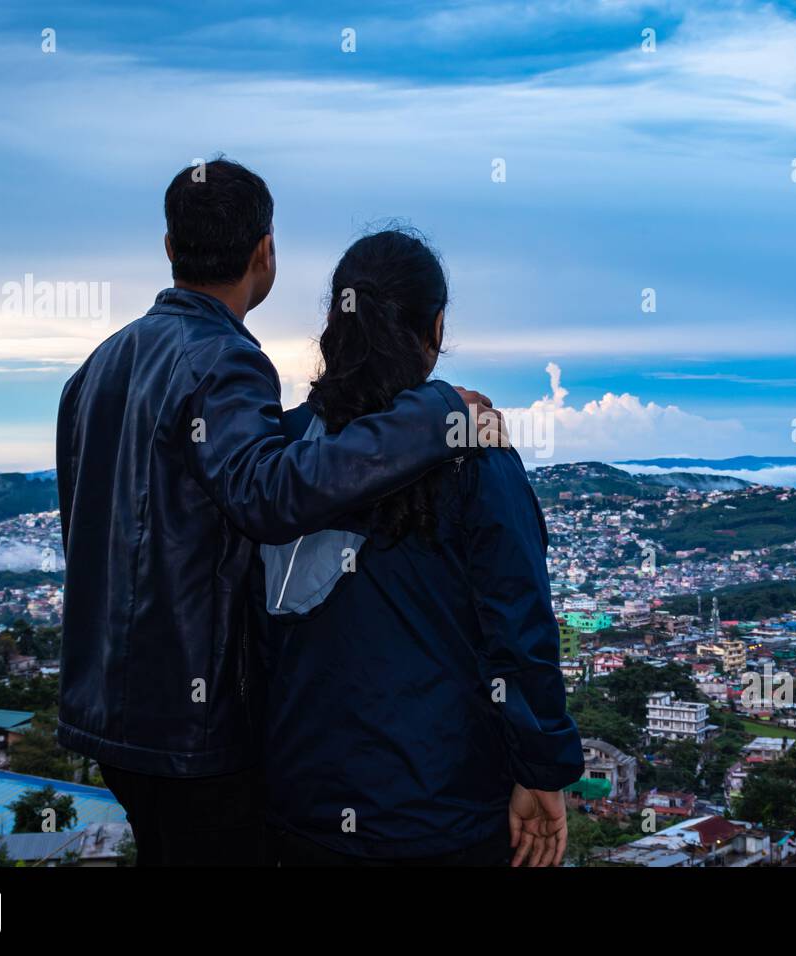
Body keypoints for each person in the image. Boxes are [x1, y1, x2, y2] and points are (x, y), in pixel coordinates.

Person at [55, 161, 502, 866]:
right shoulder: (224, 360)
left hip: (107, 713)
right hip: (196, 728)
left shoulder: (97, 369)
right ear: (266, 251)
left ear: (170, 246)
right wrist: (435, 414)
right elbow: (269, 494)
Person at [260, 228, 583, 868]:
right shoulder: (477, 455)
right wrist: (541, 768)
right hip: (443, 810)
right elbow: (519, 628)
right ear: (435, 329)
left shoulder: (282, 455)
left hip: (301, 803)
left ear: (336, 323)